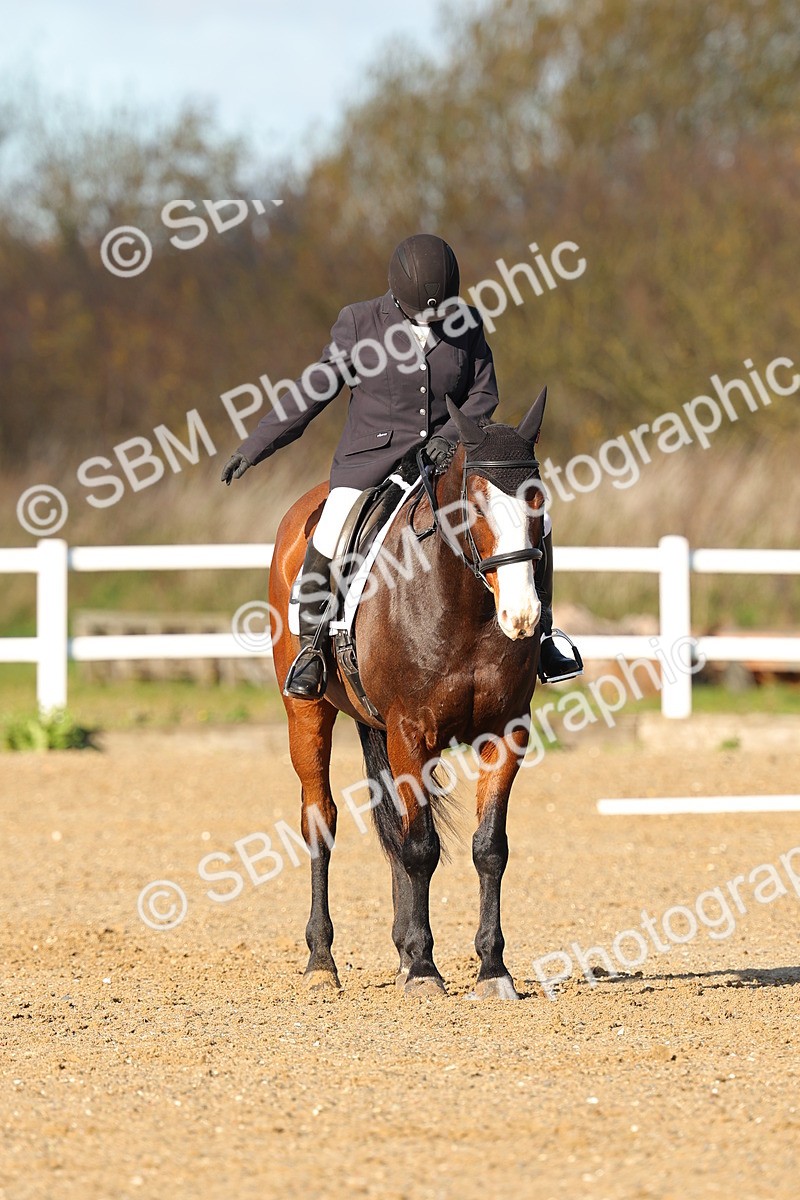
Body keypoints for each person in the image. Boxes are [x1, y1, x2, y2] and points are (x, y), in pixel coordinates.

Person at [221, 233, 581, 699]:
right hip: (371, 461)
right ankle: (310, 649)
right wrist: (255, 446)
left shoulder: (467, 323)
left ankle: (545, 635)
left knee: (538, 518)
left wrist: (449, 439)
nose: (435, 320)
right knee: (329, 529)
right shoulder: (358, 323)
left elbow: (484, 394)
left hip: (445, 461)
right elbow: (313, 392)